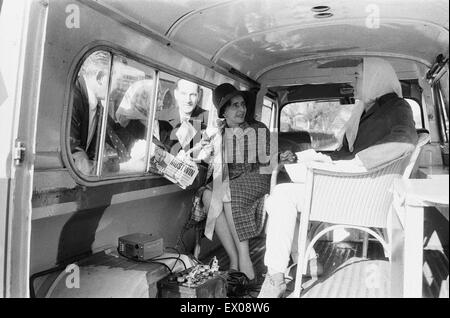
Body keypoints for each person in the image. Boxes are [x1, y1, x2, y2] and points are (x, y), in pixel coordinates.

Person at [258, 57, 419, 298]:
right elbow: (344, 153)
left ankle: (277, 279)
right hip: (351, 187)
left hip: (363, 194)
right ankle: (307, 259)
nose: (353, 81)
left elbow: (404, 141)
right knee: (277, 198)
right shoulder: (369, 109)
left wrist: (358, 163)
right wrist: (306, 158)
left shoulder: (397, 107)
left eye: (358, 76)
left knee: (280, 196)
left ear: (376, 78)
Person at [189, 83, 272, 282]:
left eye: (242, 104)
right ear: (223, 111)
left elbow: (268, 162)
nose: (241, 109)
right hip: (230, 182)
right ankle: (233, 259)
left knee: (226, 192)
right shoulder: (217, 134)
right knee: (208, 195)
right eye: (234, 105)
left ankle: (244, 260)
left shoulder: (258, 128)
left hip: (257, 176)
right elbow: (202, 159)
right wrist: (206, 150)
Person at [164, 79, 209, 156]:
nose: (188, 100)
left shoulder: (209, 119)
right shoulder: (161, 117)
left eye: (193, 95)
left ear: (199, 95)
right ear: (176, 94)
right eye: (183, 94)